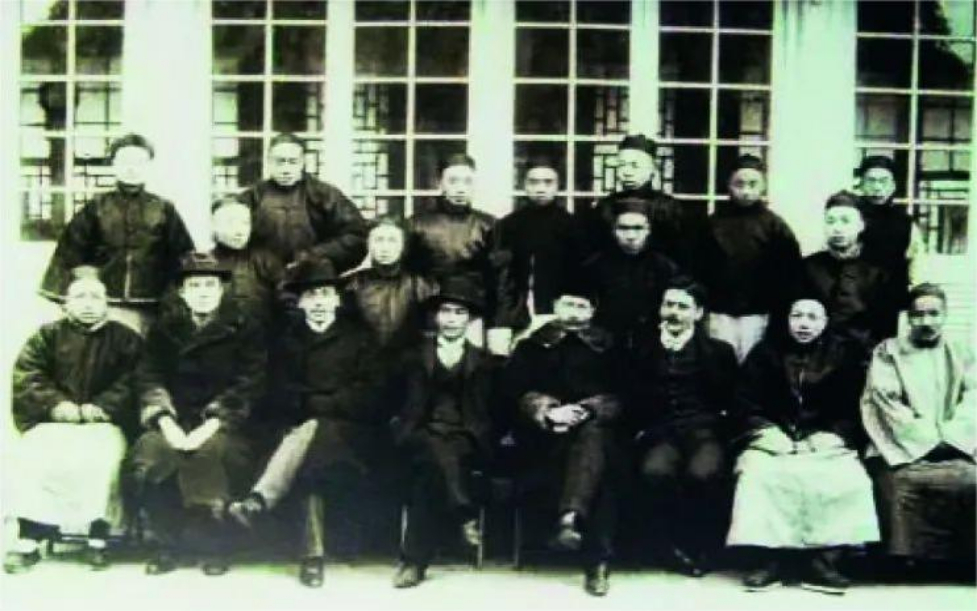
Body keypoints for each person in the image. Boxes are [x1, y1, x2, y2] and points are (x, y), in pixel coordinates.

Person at [226, 258, 385, 588]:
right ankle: (312, 555)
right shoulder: (286, 340)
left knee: (315, 434)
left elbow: (370, 393)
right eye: (311, 296)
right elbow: (276, 390)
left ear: (337, 300)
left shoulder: (360, 338)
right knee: (310, 455)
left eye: (325, 294)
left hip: (350, 432)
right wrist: (306, 410)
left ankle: (261, 502)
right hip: (293, 429)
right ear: (300, 303)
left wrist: (322, 406)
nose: (319, 302)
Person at [126, 252, 267, 577]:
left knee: (208, 453)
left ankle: (213, 545)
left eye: (210, 285)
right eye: (195, 286)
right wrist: (165, 421)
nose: (203, 292)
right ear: (183, 292)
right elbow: (149, 377)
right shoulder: (165, 329)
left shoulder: (244, 327)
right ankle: (167, 543)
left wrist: (212, 423)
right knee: (152, 452)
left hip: (227, 424)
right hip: (175, 419)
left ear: (221, 290)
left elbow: (249, 383)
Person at [727, 298, 879, 595]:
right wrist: (766, 431)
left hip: (824, 440)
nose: (804, 323)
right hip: (773, 438)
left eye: (812, 317)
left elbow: (853, 407)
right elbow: (744, 403)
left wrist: (833, 434)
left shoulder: (844, 356)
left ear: (825, 323)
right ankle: (769, 559)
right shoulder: (765, 353)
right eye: (797, 315)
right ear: (787, 320)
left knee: (848, 478)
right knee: (757, 476)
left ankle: (824, 561)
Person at [5, 269, 142, 574]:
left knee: (103, 457)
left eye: (96, 297)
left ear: (107, 303)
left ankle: (98, 536)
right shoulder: (46, 336)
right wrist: (57, 405)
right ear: (66, 303)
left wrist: (102, 407)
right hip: (56, 421)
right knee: (34, 454)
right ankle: (30, 537)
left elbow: (134, 379)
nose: (88, 303)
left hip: (104, 422)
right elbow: (29, 376)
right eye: (80, 296)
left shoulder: (125, 339)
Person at [504, 281, 623, 596]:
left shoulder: (610, 348)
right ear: (555, 307)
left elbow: (626, 395)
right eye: (568, 304)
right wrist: (548, 411)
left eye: (582, 306)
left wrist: (587, 410)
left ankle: (576, 530)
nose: (573, 313)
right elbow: (513, 392)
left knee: (595, 448)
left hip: (596, 431)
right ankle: (593, 557)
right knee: (595, 466)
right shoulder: (532, 346)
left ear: (593, 311)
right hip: (545, 439)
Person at [626, 278, 738, 577]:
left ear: (698, 313)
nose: (674, 313)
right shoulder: (642, 349)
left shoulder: (719, 352)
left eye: (683, 307)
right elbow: (630, 395)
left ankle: (703, 548)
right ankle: (668, 547)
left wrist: (722, 428)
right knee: (655, 472)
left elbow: (733, 399)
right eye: (669, 305)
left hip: (705, 432)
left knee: (703, 474)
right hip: (660, 432)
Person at [391, 277, 496, 589]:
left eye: (459, 312)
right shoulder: (412, 355)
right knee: (433, 450)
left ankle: (413, 563)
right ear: (436, 316)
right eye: (446, 311)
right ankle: (464, 513)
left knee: (430, 472)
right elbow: (394, 398)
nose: (451, 319)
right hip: (420, 432)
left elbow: (491, 409)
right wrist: (400, 426)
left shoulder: (485, 361)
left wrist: (481, 433)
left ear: (469, 319)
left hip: (465, 437)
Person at [860, 283, 975, 566]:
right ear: (908, 318)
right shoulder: (888, 352)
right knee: (898, 484)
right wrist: (927, 442)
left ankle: (962, 560)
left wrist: (953, 438)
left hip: (956, 446)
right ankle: (906, 561)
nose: (926, 322)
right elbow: (885, 402)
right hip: (902, 448)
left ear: (945, 315)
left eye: (933, 314)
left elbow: (973, 398)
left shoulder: (962, 351)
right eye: (918, 315)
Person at [39, 133, 195, 334]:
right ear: (113, 164)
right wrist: (78, 296)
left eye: (139, 162)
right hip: (106, 306)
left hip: (154, 306)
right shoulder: (96, 208)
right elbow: (69, 254)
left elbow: (183, 256)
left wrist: (175, 298)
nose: (132, 168)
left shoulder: (164, 209)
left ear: (149, 166)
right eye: (125, 161)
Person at [404, 153, 515, 354]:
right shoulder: (417, 224)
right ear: (440, 184)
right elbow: (406, 277)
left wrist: (499, 325)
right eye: (453, 181)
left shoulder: (489, 225)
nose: (460, 188)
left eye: (467, 181)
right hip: (428, 316)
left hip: (473, 317)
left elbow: (502, 279)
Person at [700, 155, 802, 362]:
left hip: (759, 316)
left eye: (753, 184)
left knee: (754, 366)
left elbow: (789, 273)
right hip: (720, 315)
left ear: (763, 185)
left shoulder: (775, 226)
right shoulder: (712, 224)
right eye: (739, 184)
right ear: (729, 185)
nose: (746, 191)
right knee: (720, 364)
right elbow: (699, 268)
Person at [237, 132, 368, 272]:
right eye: (280, 162)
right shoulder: (253, 197)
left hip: (313, 278)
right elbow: (231, 236)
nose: (286, 169)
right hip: (263, 277)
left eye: (292, 162)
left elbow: (356, 236)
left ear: (303, 162)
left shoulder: (324, 195)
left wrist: (315, 255)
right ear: (269, 162)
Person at [494, 158, 585, 334]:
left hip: (560, 312)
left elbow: (580, 275)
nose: (541, 189)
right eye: (534, 182)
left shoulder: (572, 226)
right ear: (524, 185)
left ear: (558, 186)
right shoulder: (508, 225)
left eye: (548, 182)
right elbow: (502, 276)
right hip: (516, 314)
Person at [581, 198, 680, 353]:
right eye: (624, 228)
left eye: (638, 228)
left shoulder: (665, 268)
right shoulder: (594, 266)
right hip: (604, 347)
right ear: (614, 230)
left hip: (653, 347)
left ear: (648, 230)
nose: (631, 235)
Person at [581, 134, 694, 269]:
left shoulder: (668, 207)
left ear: (652, 168)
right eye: (622, 165)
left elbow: (681, 253)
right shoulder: (606, 206)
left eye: (635, 165)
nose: (627, 172)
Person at [802, 191, 893, 356]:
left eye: (845, 221)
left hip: (864, 356)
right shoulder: (807, 267)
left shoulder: (879, 271)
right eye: (831, 221)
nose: (837, 228)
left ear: (861, 225)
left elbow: (886, 327)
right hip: (815, 356)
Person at [854, 155, 925, 338]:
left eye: (883, 181)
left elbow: (916, 267)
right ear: (861, 184)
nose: (877, 187)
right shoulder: (849, 217)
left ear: (893, 185)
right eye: (871, 181)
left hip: (890, 303)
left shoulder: (905, 223)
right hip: (853, 300)